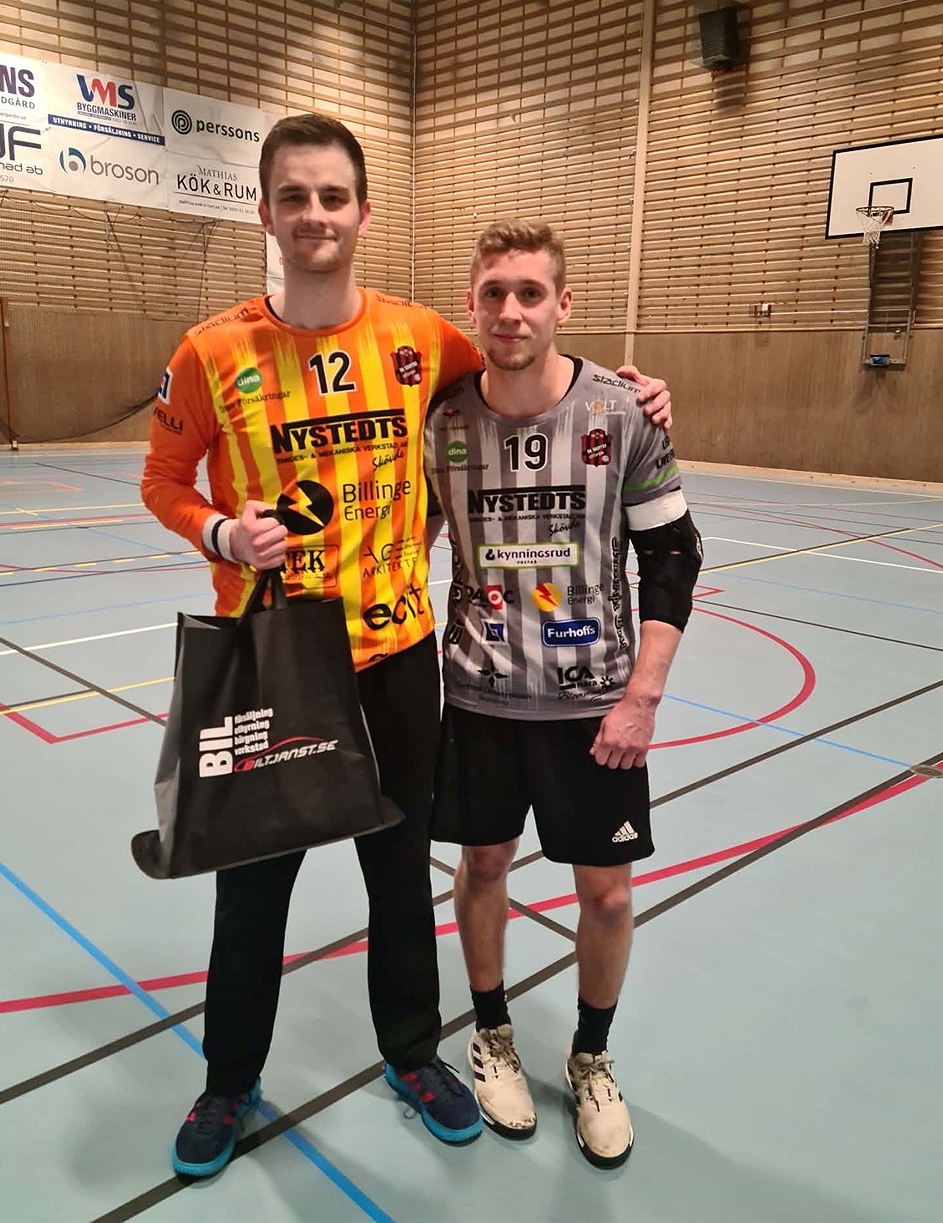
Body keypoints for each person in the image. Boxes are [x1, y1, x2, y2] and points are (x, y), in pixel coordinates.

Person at [140, 115, 673, 1177]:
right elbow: (162, 479)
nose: (315, 215)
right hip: (270, 661)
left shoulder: (424, 339)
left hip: (395, 661)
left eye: (333, 196)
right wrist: (220, 532)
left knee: (398, 876)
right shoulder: (209, 352)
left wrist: (630, 392)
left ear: (363, 211)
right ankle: (228, 1081)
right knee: (252, 887)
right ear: (265, 212)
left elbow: (529, 366)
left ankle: (413, 1054)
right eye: (295, 197)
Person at [424, 219, 702, 1169]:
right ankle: (491, 1033)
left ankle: (591, 1054)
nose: (511, 310)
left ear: (563, 303)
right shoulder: (441, 424)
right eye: (493, 292)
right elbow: (392, 544)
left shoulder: (623, 413)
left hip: (597, 706)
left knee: (609, 895)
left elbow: (673, 557)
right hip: (480, 698)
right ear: (472, 304)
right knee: (483, 868)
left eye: (530, 292)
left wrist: (643, 696)